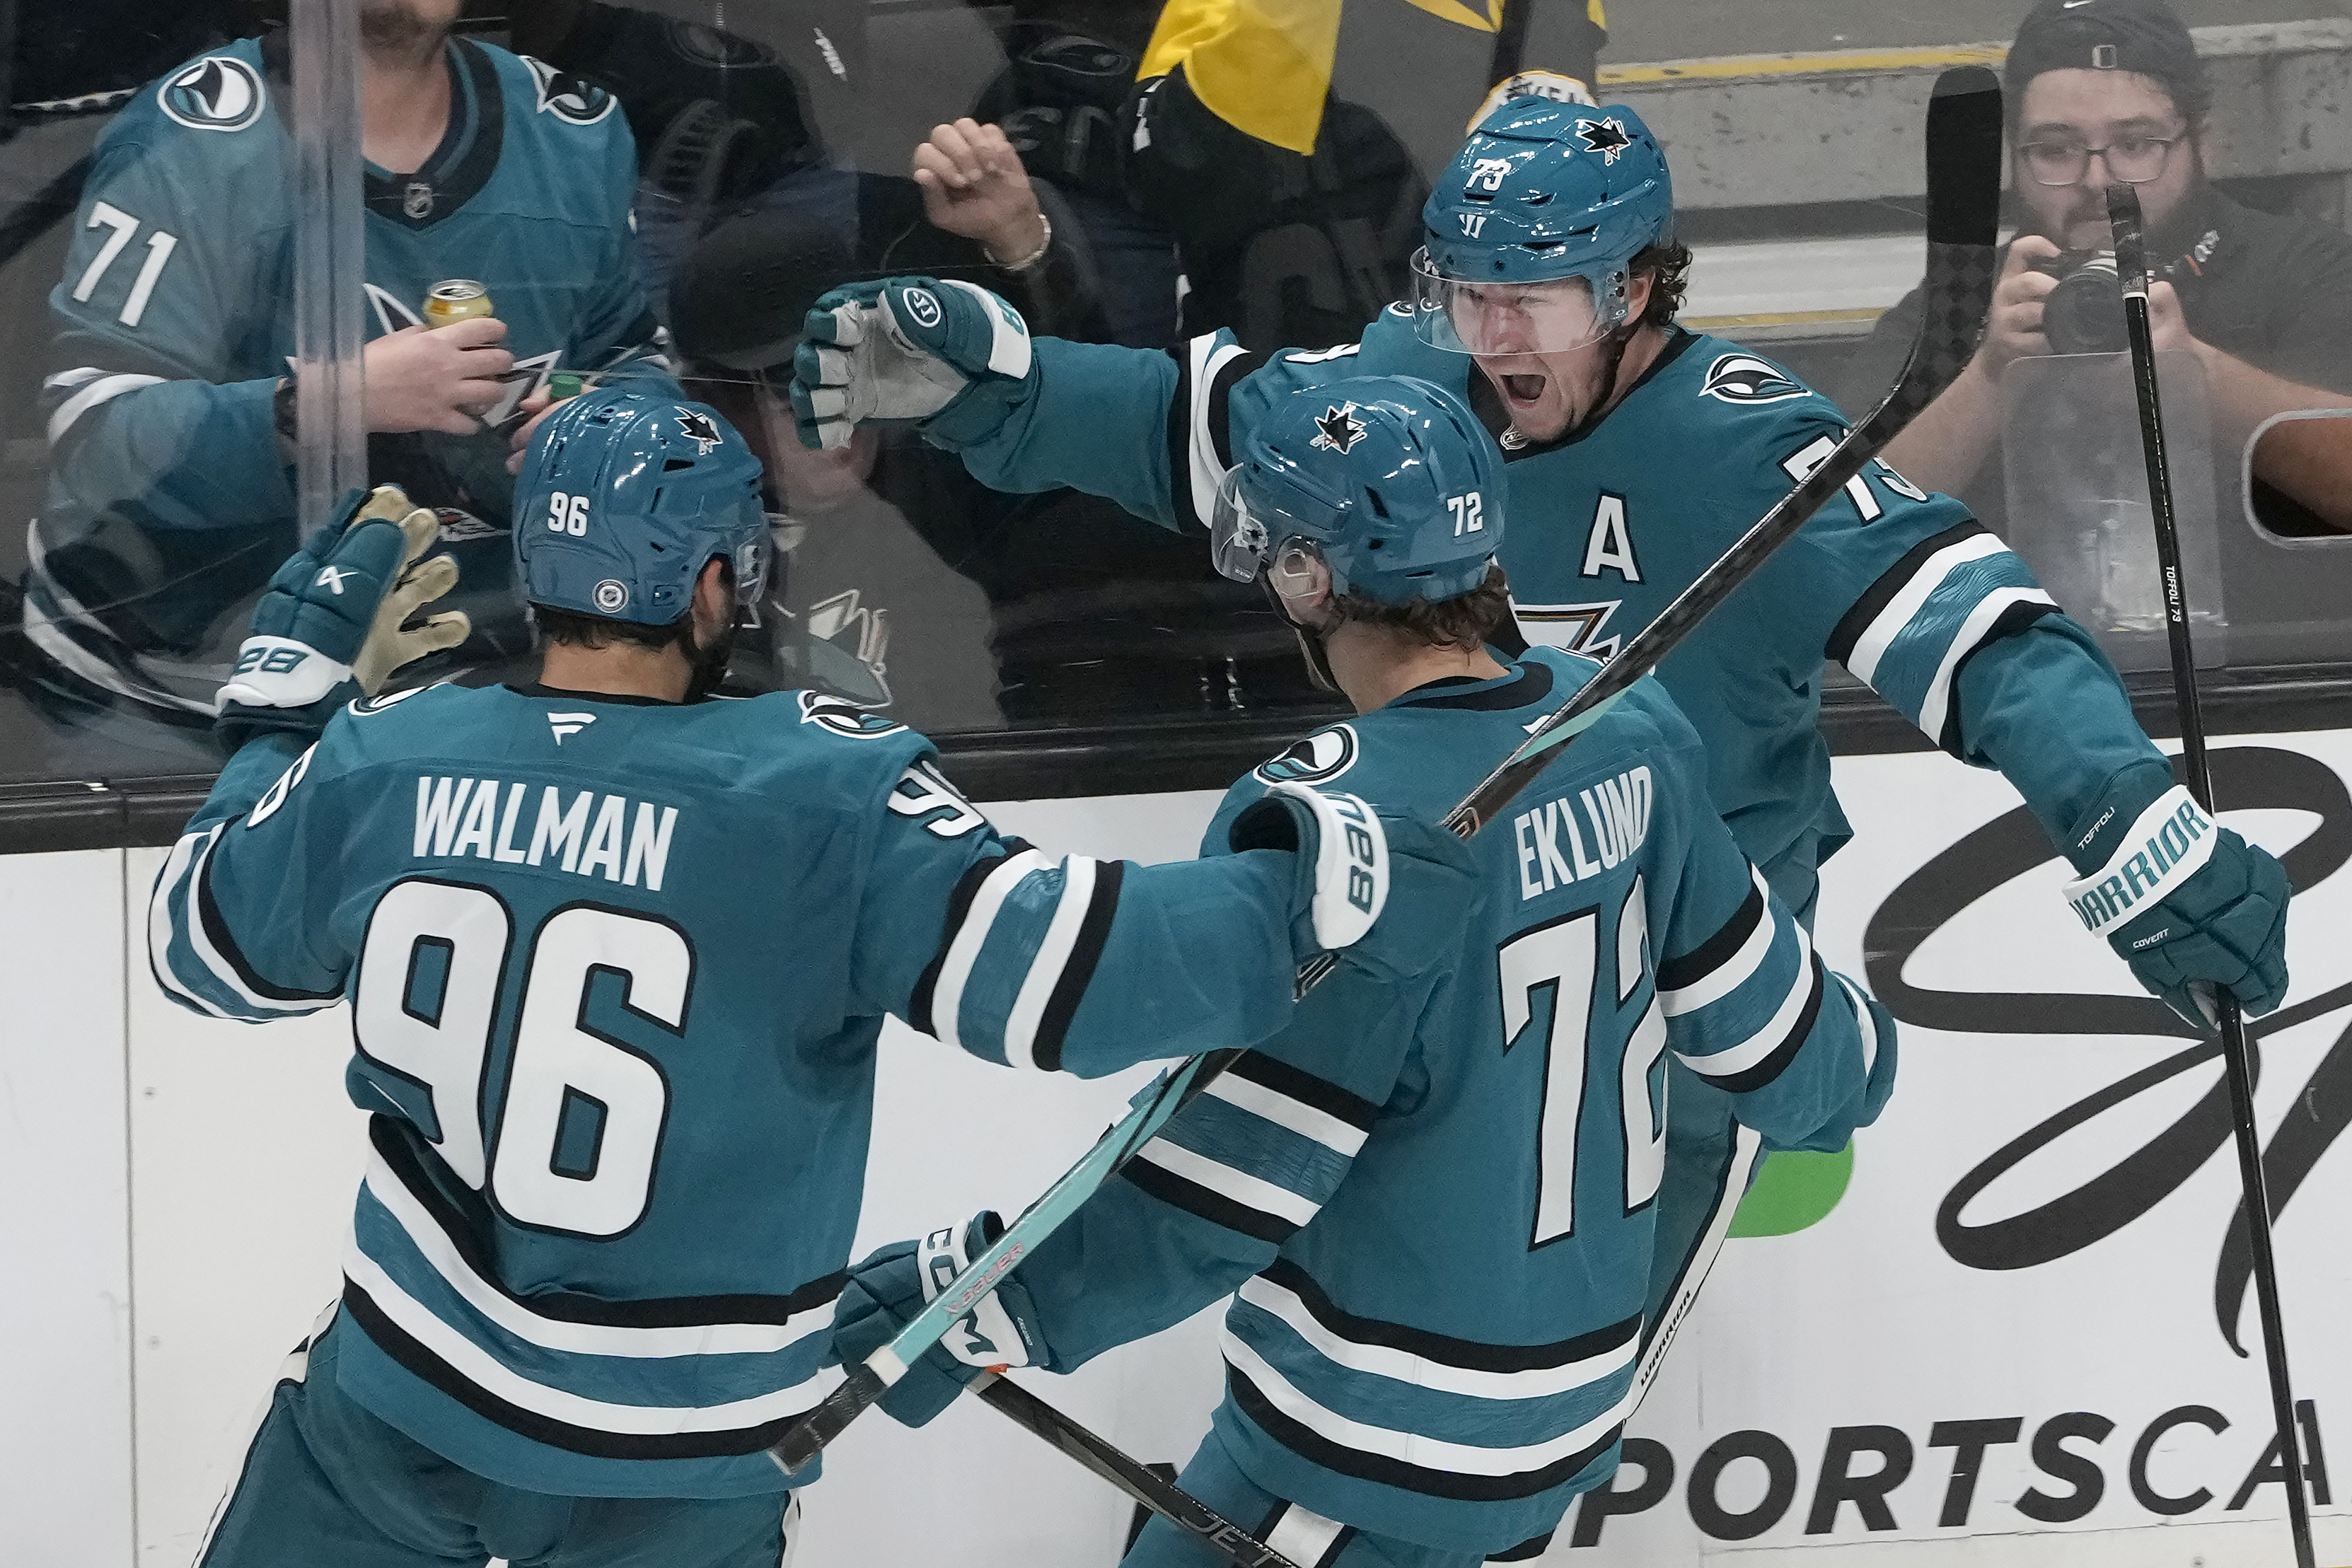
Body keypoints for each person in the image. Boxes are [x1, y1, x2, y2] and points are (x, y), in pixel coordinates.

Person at [787, 94, 2293, 1410]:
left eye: (1539, 299)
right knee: (1312, 1363)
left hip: (1673, 1012)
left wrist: (2125, 815)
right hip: (1429, 959)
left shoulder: (1748, 445)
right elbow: (1206, 419)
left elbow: (1986, 637)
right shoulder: (1417, 383)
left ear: (1637, 286)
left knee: (1504, 1427)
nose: (1494, 336)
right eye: (1470, 292)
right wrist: (1006, 388)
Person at [146, 386, 1476, 1564]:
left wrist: (283, 719)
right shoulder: (819, 791)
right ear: (717, 586)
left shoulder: (392, 757)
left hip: (395, 1412)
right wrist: (1311, 889)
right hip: (680, 1465)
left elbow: (198, 950)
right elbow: (1072, 977)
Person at [827, 378, 1898, 1567]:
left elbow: (1231, 1170)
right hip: (1571, 1403)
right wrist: (1868, 1059)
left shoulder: (1338, 820)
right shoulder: (1631, 730)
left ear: (1308, 580)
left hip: (1373, 1437)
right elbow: (1798, 1061)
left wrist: (990, 1299)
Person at [21, 0, 673, 736]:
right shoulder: (191, 136)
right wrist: (323, 406)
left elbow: (634, 363)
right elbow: (95, 434)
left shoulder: (572, 133)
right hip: (179, 701)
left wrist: (612, 427)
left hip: (479, 695)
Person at [667, 204, 1318, 731]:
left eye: (850, 375)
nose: (834, 420)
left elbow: (1091, 455)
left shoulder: (967, 479)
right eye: (788, 394)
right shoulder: (668, 532)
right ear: (715, 403)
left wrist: (1033, 257)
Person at [1854, 0, 2352, 535]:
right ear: (2014, 157)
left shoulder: (2305, 267)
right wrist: (1991, 375)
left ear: (2204, 143)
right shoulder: (1963, 302)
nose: (2097, 182)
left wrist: (2195, 377)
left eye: (2135, 144)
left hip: (2273, 619)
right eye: (2055, 150)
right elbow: (1843, 521)